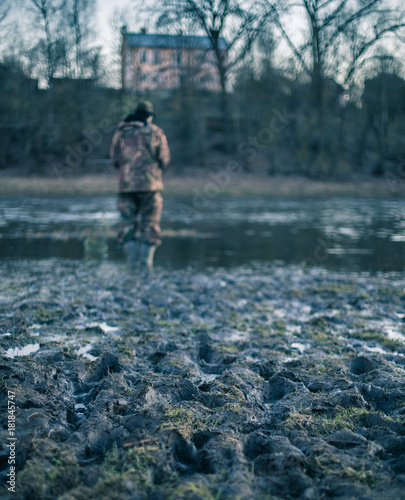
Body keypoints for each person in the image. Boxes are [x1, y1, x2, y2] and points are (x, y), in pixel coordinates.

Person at [110, 100, 170, 268]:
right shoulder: (156, 132)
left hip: (126, 186)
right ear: (149, 116)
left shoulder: (121, 132)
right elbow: (164, 159)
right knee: (150, 224)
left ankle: (131, 264)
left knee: (127, 224)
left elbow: (114, 159)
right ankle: (146, 265)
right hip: (151, 187)